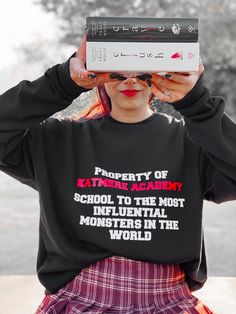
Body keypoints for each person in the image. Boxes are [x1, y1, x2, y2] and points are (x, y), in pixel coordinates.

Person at [0, 30, 235, 314]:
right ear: (100, 78)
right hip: (78, 303)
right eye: (118, 70)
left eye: (142, 70)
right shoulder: (57, 140)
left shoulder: (191, 142)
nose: (131, 79)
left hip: (169, 303)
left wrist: (196, 103)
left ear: (158, 77)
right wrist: (62, 82)